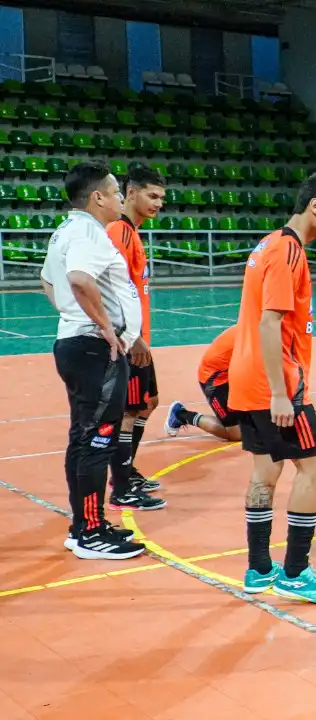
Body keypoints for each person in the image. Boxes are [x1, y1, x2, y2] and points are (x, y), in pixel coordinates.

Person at [228, 173, 316, 603]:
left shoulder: (268, 244)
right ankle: (295, 572)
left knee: (265, 471)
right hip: (275, 383)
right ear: (315, 206)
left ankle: (259, 568)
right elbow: (271, 322)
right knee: (315, 467)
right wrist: (281, 393)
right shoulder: (288, 252)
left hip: (246, 379)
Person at [40, 161, 147, 559]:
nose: (121, 197)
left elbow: (46, 280)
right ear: (97, 196)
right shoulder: (88, 232)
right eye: (117, 191)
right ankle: (90, 531)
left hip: (76, 343)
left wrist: (71, 316)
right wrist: (103, 326)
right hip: (93, 349)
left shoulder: (64, 230)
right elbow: (80, 279)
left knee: (83, 437)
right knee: (97, 440)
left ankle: (83, 526)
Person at [105, 166, 167, 510]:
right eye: (152, 196)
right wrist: (132, 335)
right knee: (129, 411)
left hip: (139, 338)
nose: (158, 203)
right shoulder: (120, 232)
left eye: (161, 197)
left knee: (148, 402)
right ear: (130, 193)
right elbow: (112, 289)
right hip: (129, 341)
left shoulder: (134, 232)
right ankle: (122, 487)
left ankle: (126, 471)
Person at [163, 326, 243, 443]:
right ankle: (181, 415)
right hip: (214, 378)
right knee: (236, 433)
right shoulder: (254, 334)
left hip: (231, 373)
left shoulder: (256, 327)